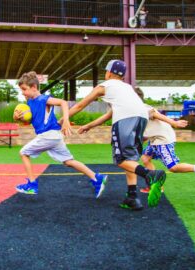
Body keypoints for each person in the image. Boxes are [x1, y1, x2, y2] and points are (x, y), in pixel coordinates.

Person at [68, 60, 166, 210]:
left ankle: (149, 175)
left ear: (108, 72)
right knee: (130, 159)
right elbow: (110, 114)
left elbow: (81, 104)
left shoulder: (105, 86)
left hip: (126, 120)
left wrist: (63, 120)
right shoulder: (127, 88)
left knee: (121, 160)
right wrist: (89, 125)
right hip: (141, 118)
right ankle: (132, 197)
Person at [14, 71, 108, 198]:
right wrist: (17, 118)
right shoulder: (30, 103)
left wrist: (66, 121)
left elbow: (63, 102)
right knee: (68, 161)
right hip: (54, 136)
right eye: (21, 90)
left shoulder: (43, 99)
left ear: (34, 87)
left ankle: (32, 185)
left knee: (23, 153)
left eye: (24, 89)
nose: (23, 93)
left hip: (48, 136)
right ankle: (97, 178)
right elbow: (31, 121)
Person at [134, 87, 195, 192]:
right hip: (155, 139)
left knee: (173, 167)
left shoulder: (142, 108)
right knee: (145, 158)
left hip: (162, 139)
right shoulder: (136, 109)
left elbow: (156, 115)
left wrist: (174, 123)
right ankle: (155, 186)